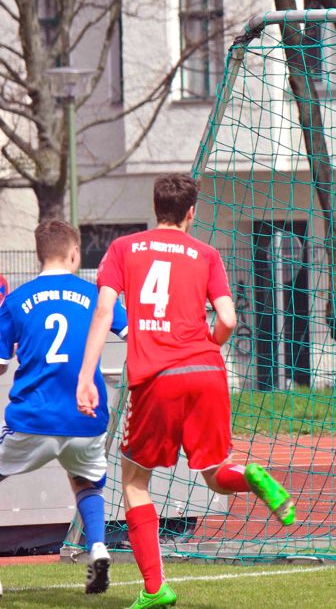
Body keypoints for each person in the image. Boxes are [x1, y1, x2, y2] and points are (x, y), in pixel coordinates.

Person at [76, 174, 296, 609]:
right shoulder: (207, 254)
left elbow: (103, 310)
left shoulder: (123, 248)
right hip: (207, 370)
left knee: (134, 481)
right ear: (191, 212)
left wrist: (87, 375)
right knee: (215, 474)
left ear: (155, 207)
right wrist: (208, 345)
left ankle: (155, 588)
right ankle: (251, 476)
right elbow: (228, 319)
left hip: (158, 377)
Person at [0, 221, 127, 594]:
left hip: (33, 418)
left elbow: (1, 363)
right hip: (85, 417)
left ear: (38, 254)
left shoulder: (16, 300)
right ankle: (98, 546)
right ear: (74, 254)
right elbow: (131, 334)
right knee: (87, 481)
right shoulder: (96, 295)